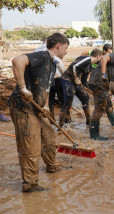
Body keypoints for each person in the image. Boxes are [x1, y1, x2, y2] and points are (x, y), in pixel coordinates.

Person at [8, 33, 69, 192]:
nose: (67, 52)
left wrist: (47, 106)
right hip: (23, 107)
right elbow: (17, 61)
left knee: (49, 137)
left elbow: (46, 89)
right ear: (58, 46)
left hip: (38, 108)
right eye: (66, 48)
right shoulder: (42, 56)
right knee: (30, 146)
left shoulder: (52, 63)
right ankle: (30, 184)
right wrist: (22, 87)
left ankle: (52, 165)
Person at [88, 49, 114, 140]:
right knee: (99, 109)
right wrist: (103, 74)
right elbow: (103, 58)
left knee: (108, 102)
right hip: (99, 84)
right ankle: (94, 135)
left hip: (100, 85)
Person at [59, 49, 102, 126]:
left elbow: (84, 81)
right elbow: (74, 66)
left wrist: (90, 90)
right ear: (98, 56)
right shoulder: (87, 58)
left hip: (76, 82)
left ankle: (89, 120)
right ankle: (61, 124)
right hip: (67, 79)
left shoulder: (89, 66)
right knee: (69, 97)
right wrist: (75, 78)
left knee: (85, 97)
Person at [34, 39, 66, 123]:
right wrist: (65, 76)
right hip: (56, 78)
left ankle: (51, 120)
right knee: (63, 99)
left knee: (50, 100)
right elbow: (59, 63)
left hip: (43, 79)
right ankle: (65, 119)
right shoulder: (50, 51)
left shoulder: (37, 49)